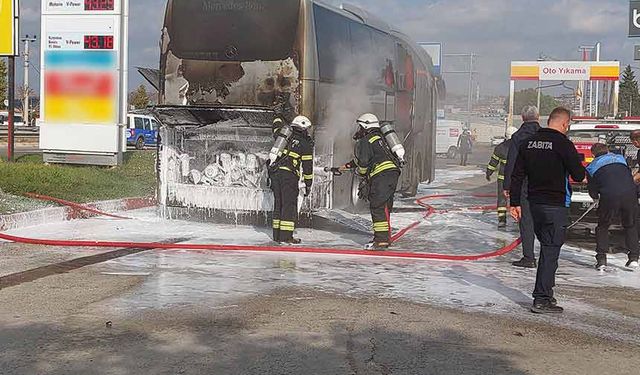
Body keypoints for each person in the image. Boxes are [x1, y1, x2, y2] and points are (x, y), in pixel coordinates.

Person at [510, 107, 586, 314]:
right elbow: (578, 175)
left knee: (546, 248)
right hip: (554, 205)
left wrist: (514, 203)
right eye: (568, 125)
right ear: (564, 123)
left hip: (533, 205)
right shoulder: (564, 144)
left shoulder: (528, 143)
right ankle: (542, 298)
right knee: (550, 251)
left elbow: (516, 175)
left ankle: (546, 294)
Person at [341, 113, 401, 250]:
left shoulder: (366, 140)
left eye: (361, 127)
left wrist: (362, 177)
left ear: (365, 126)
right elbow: (367, 158)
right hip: (392, 174)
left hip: (382, 176)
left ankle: (381, 241)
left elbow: (363, 163)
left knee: (377, 207)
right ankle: (383, 237)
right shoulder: (381, 138)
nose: (359, 130)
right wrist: (345, 167)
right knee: (385, 207)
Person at [587, 143, 640, 270]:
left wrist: (596, 197)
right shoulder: (620, 159)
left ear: (593, 155)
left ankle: (601, 260)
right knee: (630, 225)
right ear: (607, 151)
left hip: (609, 196)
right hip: (630, 194)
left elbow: (593, 190)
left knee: (603, 226)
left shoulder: (591, 167)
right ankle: (633, 258)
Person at [503, 105, 541, 268]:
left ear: (522, 117)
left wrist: (507, 186)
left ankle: (529, 257)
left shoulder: (518, 137)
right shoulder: (545, 135)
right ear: (538, 117)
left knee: (526, 221)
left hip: (525, 183)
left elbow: (511, 162)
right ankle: (549, 257)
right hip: (544, 183)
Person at [269, 115, 314, 244]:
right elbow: (307, 166)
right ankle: (286, 237)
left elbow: (276, 126)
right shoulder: (305, 143)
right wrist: (308, 184)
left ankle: (277, 235)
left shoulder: (283, 135)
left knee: (279, 204)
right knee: (289, 205)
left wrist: (277, 116)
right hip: (289, 176)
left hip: (275, 173)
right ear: (304, 128)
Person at [486, 126, 518, 228]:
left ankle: (502, 220)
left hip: (502, 179)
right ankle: (519, 218)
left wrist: (488, 172)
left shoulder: (500, 147)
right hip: (516, 179)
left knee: (502, 200)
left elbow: (493, 163)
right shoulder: (520, 146)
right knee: (517, 199)